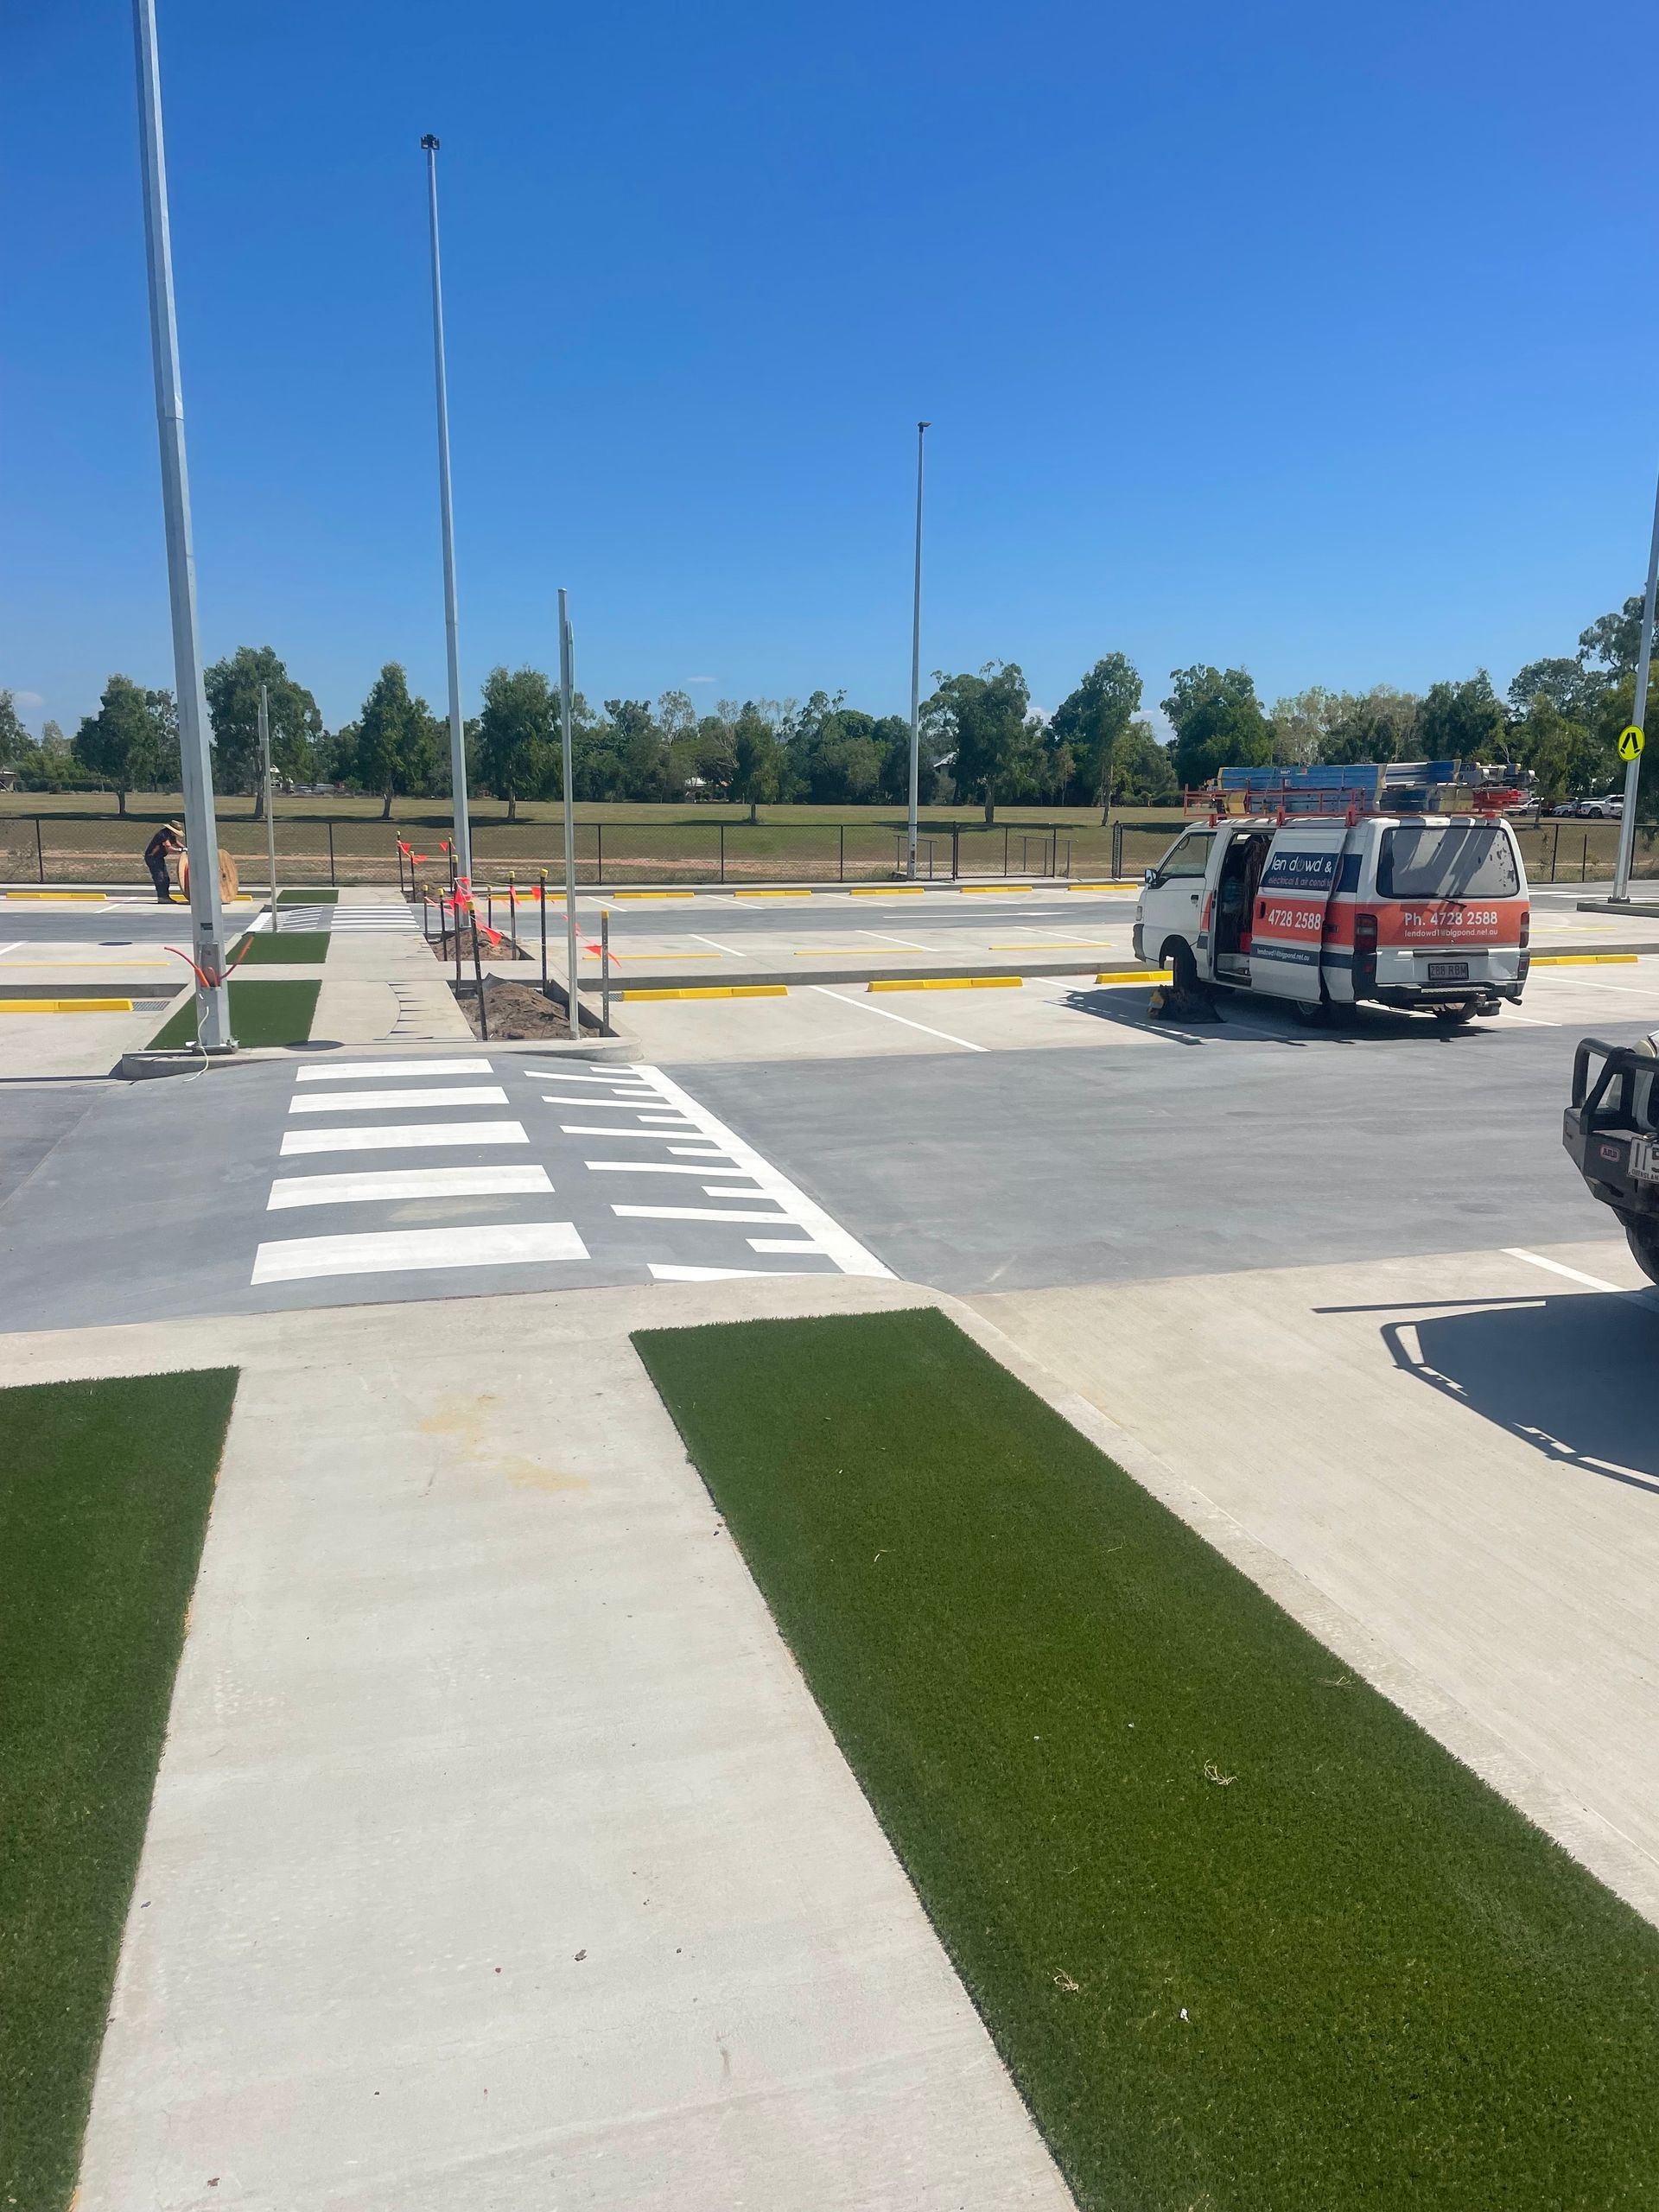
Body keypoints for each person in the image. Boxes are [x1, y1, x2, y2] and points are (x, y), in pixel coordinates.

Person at [143, 822, 184, 904]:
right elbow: (169, 848)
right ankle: (162, 897)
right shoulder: (163, 835)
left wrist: (185, 848)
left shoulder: (170, 835)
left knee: (165, 877)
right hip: (152, 858)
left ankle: (165, 896)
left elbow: (176, 843)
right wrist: (180, 850)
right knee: (160, 877)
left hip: (159, 858)